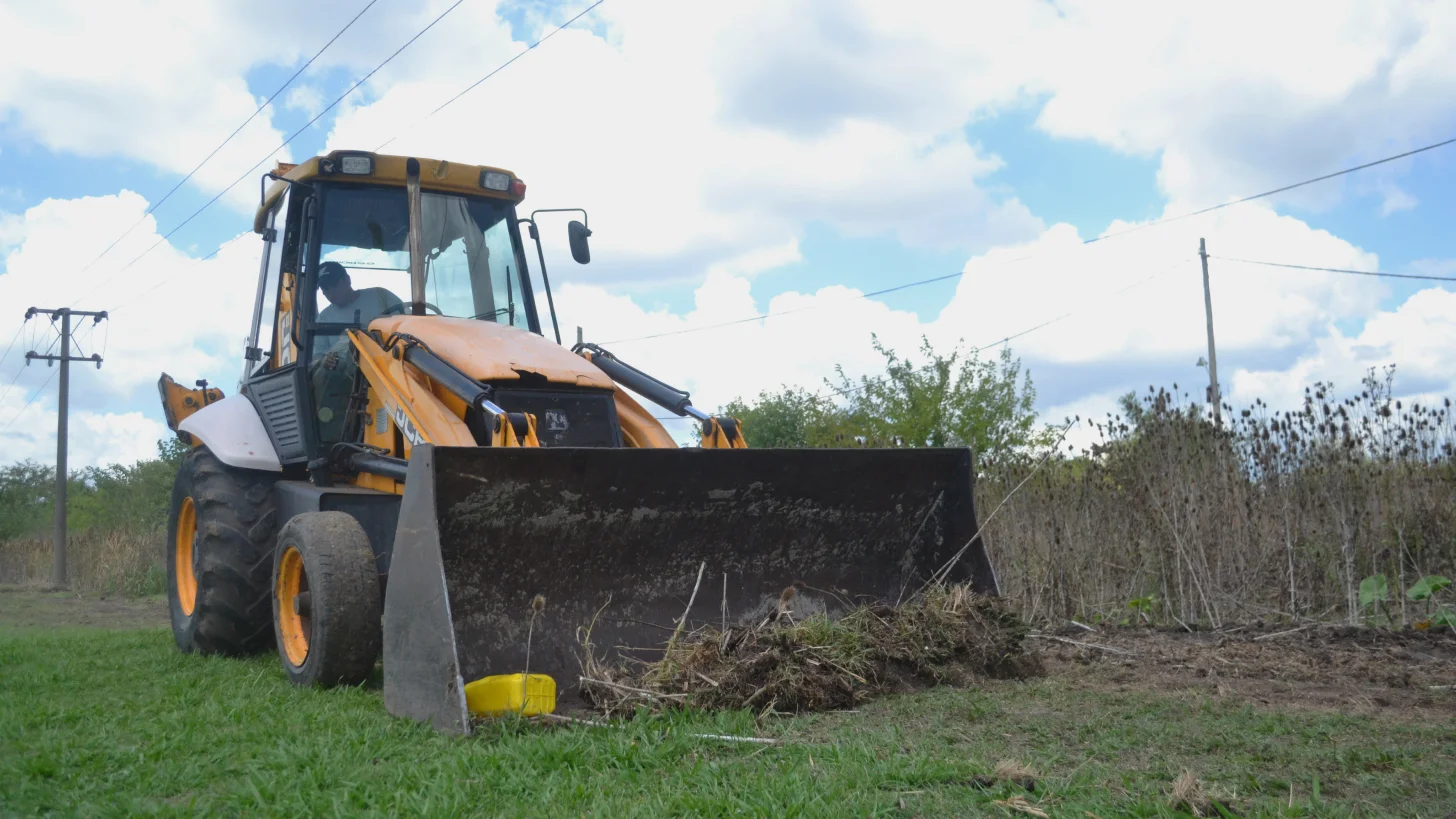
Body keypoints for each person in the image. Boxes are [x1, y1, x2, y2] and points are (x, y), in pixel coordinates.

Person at [316, 262, 404, 326]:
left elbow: (408, 324)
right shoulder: (323, 318)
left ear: (347, 280)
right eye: (325, 288)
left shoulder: (381, 296)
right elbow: (319, 350)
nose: (330, 291)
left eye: (333, 284)